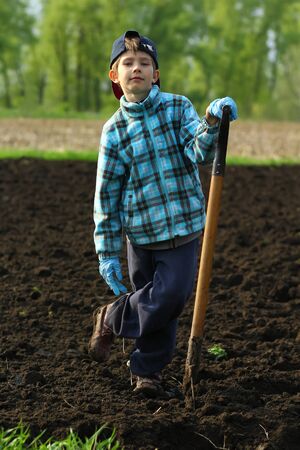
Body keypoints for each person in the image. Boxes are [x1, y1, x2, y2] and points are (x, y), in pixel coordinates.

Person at [88, 30, 237, 397]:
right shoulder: (114, 132)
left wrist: (212, 123)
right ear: (115, 76)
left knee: (170, 295)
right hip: (140, 235)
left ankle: (111, 316)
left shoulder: (176, 108)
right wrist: (107, 253)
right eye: (127, 63)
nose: (136, 68)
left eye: (144, 63)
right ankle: (146, 373)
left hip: (183, 228)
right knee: (156, 308)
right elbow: (106, 196)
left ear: (156, 74)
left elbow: (197, 150)